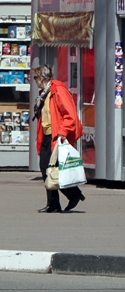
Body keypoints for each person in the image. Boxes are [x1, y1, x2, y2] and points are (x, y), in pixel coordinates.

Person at [32, 64, 87, 213]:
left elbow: (70, 115)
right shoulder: (45, 93)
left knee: (54, 169)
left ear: (42, 78)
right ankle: (54, 203)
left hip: (57, 135)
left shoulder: (58, 91)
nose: (34, 80)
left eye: (36, 77)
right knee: (46, 168)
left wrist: (62, 133)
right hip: (46, 135)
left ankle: (72, 195)